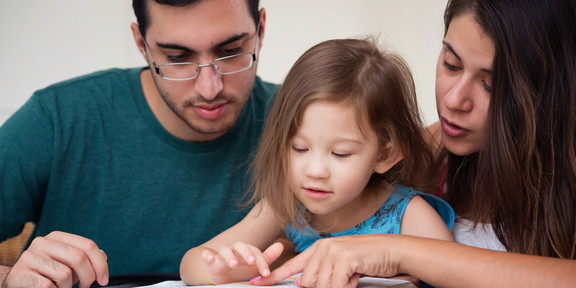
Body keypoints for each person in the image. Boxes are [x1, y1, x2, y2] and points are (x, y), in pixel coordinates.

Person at [251, 0, 576, 287]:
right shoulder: (417, 156)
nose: (454, 99)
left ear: (550, 90)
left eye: (491, 84)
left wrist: (398, 252)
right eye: (451, 63)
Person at [0, 0, 278, 287]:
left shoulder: (307, 123)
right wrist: (9, 278)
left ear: (261, 29)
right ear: (141, 44)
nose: (209, 89)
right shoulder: (58, 119)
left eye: (231, 52)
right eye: (178, 58)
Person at [179, 37, 455, 286]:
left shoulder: (408, 215)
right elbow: (190, 266)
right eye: (299, 148)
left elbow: (460, 275)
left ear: (385, 154)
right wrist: (219, 269)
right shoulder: (284, 206)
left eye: (340, 154)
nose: (315, 171)